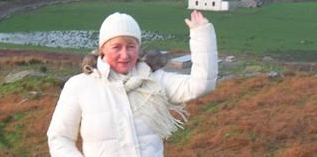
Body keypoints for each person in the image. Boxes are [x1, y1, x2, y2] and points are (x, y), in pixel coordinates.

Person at [47, 10, 218, 157]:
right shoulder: (79, 86)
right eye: (116, 47)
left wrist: (202, 35)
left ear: (138, 47)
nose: (125, 54)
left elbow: (201, 84)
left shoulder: (154, 80)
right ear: (102, 49)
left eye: (131, 46)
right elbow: (60, 137)